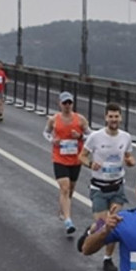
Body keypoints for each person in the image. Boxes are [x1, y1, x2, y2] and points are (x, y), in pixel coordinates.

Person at [77, 103, 136, 271]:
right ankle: (90, 231)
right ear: (105, 118)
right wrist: (90, 164)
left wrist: (131, 161)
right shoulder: (95, 137)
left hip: (117, 186)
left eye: (116, 116)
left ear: (121, 117)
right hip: (99, 188)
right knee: (102, 224)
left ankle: (107, 259)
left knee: (113, 224)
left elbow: (128, 155)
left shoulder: (125, 137)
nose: (114, 119)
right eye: (110, 116)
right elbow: (81, 156)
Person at [44, 92, 92, 234]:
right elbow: (46, 133)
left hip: (75, 159)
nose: (67, 105)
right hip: (59, 158)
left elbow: (91, 135)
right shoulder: (54, 119)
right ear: (60, 104)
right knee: (64, 187)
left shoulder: (80, 120)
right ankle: (68, 220)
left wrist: (81, 136)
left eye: (69, 103)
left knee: (70, 189)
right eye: (64, 103)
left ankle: (63, 209)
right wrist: (53, 140)